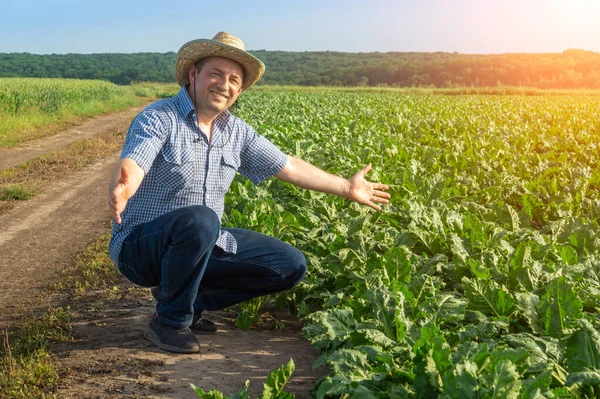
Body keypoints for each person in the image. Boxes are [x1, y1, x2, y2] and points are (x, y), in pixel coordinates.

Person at [108, 32, 390, 354]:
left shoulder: (236, 132)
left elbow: (289, 166)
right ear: (193, 74)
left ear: (239, 89)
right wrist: (125, 183)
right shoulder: (159, 117)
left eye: (233, 79)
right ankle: (170, 322)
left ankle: (184, 300)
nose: (223, 85)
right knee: (200, 220)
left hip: (199, 241)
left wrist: (347, 186)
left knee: (289, 264)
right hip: (141, 246)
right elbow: (136, 160)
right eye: (215, 73)